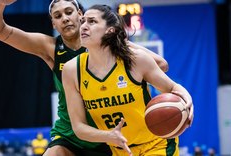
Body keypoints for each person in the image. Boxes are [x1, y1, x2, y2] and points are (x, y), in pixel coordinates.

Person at [0, 0, 168, 155]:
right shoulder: (50, 48)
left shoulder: (108, 43)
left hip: (108, 133)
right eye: (57, 16)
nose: (64, 18)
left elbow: (160, 64)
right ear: (53, 24)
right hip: (70, 133)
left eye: (68, 12)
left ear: (80, 15)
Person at [62, 4, 194, 156]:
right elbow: (78, 127)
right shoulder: (72, 70)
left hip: (155, 145)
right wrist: (108, 136)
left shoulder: (134, 60)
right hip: (120, 150)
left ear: (109, 30)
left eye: (92, 21)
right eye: (83, 21)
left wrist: (187, 100)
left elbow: (172, 87)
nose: (83, 26)